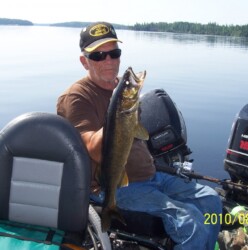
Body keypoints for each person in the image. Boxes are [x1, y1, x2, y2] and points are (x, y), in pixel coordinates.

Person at [57, 21, 222, 250]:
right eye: (98, 56)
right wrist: (119, 107)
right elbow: (94, 149)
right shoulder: (76, 97)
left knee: (211, 199)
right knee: (188, 220)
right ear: (84, 61)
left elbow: (137, 134)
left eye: (114, 53)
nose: (108, 61)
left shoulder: (124, 94)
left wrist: (125, 101)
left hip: (153, 176)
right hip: (113, 186)